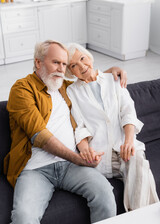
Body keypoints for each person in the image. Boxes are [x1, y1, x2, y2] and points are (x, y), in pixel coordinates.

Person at [4, 40, 127, 224]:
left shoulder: (62, 86)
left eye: (64, 64)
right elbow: (39, 136)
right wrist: (77, 158)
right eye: (55, 62)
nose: (61, 69)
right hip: (34, 169)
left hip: (70, 167)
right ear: (38, 62)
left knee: (104, 193)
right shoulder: (22, 89)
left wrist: (113, 70)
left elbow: (87, 77)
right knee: (24, 217)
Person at [66, 43, 159, 212]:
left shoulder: (113, 79)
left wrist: (129, 141)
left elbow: (128, 111)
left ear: (89, 57)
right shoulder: (72, 91)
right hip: (101, 155)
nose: (81, 66)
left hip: (125, 146)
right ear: (70, 72)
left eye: (82, 58)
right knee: (142, 173)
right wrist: (86, 150)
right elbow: (79, 126)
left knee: (137, 162)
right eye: (73, 65)